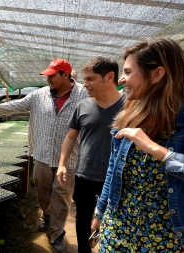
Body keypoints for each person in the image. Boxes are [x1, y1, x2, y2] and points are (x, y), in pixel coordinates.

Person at [91, 38, 184, 252]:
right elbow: (112, 171)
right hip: (117, 232)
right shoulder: (128, 115)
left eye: (128, 72)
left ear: (157, 74)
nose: (122, 79)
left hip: (164, 239)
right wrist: (99, 214)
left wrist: (157, 150)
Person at [0, 58, 88, 253]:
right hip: (42, 154)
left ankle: (57, 233)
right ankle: (47, 215)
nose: (48, 79)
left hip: (70, 158)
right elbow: (17, 105)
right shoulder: (39, 95)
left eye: (52, 75)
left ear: (66, 75)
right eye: (47, 76)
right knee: (43, 192)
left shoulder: (85, 94)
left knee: (62, 196)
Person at [56, 56, 126, 253]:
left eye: (90, 79)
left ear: (109, 77)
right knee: (82, 217)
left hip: (116, 177)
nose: (84, 84)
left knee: (115, 217)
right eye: (85, 79)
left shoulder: (131, 107)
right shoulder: (83, 106)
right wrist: (62, 164)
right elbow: (70, 137)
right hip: (85, 173)